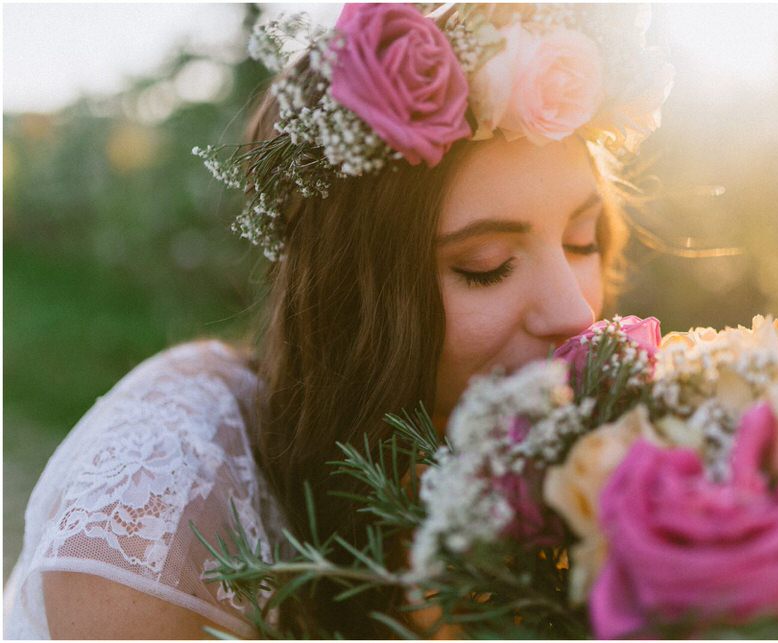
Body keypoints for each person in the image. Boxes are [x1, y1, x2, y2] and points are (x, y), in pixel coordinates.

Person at [4, 3, 672, 638]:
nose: (576, 310)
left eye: (583, 241)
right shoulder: (157, 526)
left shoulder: (626, 456)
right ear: (350, 292)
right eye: (486, 264)